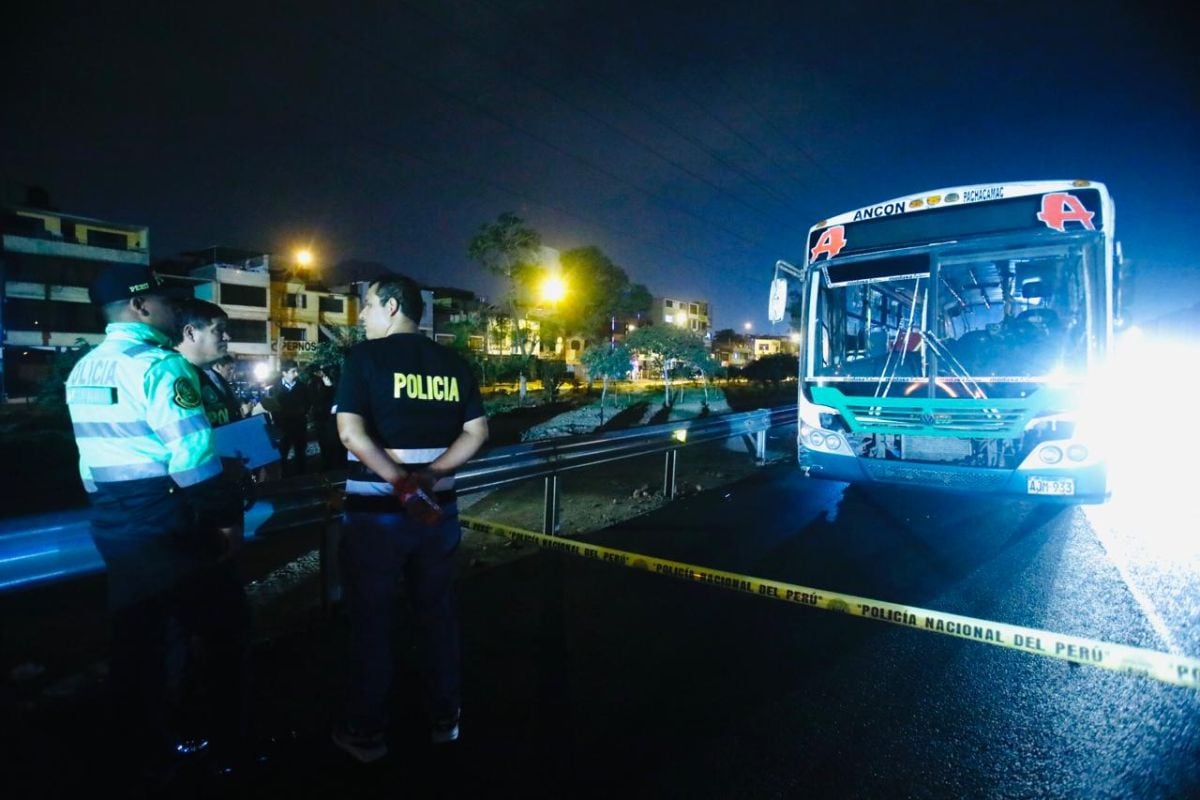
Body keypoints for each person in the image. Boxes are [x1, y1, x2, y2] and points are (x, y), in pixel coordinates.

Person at [64, 265, 248, 788]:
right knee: (224, 632)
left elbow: (88, 464)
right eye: (165, 301)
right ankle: (226, 749)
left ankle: (145, 754)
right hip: (168, 520)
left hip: (114, 519)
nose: (173, 309)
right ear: (139, 307)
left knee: (138, 642)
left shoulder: (85, 370)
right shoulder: (161, 367)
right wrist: (222, 525)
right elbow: (193, 460)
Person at [331, 273, 488, 764]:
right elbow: (478, 432)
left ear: (393, 306)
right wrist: (431, 476)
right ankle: (445, 718)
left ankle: (367, 732)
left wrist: (400, 483)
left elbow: (351, 435)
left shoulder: (364, 360)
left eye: (367, 306)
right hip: (438, 511)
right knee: (437, 614)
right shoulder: (454, 363)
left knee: (373, 621)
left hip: (377, 515)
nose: (362, 317)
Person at [265, 358, 311, 476]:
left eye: (297, 371)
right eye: (293, 371)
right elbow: (271, 407)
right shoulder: (274, 389)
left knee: (300, 453)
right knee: (282, 454)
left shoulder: (303, 387)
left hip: (299, 424)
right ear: (284, 373)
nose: (296, 374)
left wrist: (301, 412)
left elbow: (308, 403)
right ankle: (283, 477)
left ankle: (301, 478)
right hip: (282, 426)